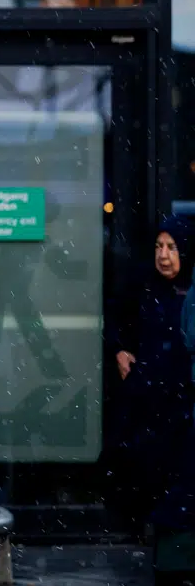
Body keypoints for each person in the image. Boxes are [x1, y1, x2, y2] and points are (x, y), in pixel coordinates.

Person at [107, 218, 195, 535]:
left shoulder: (190, 291)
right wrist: (119, 350)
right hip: (148, 399)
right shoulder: (144, 285)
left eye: (172, 247)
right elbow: (118, 318)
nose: (164, 255)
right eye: (159, 246)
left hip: (183, 400)